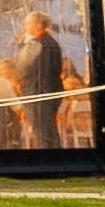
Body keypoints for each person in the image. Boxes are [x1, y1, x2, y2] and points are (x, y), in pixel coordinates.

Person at [11, 8, 76, 149]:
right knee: (49, 130)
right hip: (50, 91)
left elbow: (21, 66)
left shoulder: (36, 45)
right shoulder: (52, 44)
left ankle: (46, 157)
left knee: (41, 131)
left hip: (36, 93)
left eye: (28, 23)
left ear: (39, 25)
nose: (25, 27)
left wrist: (19, 45)